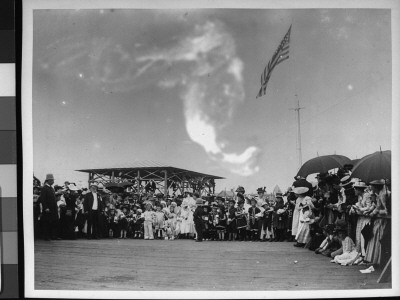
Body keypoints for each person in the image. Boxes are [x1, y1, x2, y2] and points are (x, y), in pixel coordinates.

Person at [40, 174, 60, 241]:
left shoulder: (51, 188)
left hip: (53, 209)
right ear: (48, 180)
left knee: (53, 222)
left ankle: (53, 236)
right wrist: (45, 207)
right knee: (47, 223)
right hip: (48, 209)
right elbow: (43, 199)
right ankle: (46, 236)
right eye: (52, 180)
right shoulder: (44, 188)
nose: (53, 181)